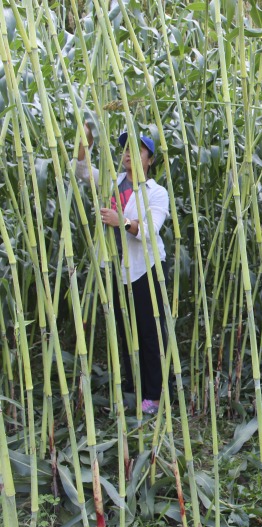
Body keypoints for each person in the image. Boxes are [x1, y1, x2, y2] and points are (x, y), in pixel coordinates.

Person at [75, 122, 169, 415]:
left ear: (150, 159)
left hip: (146, 269)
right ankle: (133, 389)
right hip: (118, 270)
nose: (130, 154)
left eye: (138, 149)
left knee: (149, 332)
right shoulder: (111, 184)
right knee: (126, 330)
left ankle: (154, 395)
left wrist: (122, 222)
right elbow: (80, 172)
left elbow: (151, 230)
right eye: (126, 149)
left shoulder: (156, 192)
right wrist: (85, 140)